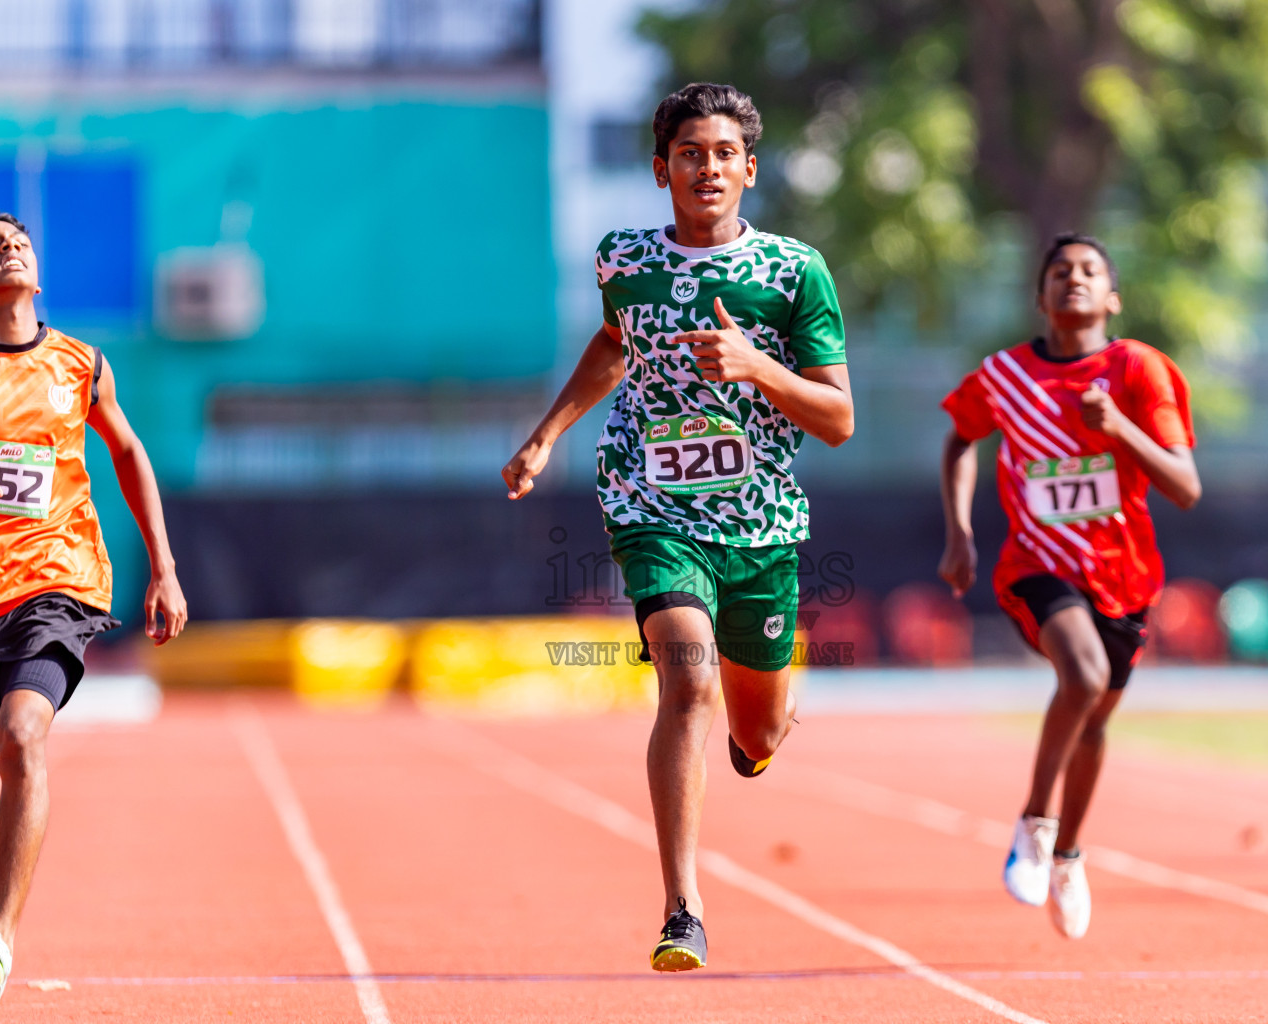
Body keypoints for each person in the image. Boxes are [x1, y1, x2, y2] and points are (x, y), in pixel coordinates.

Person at [502, 83, 851, 971]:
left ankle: (754, 736)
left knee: (758, 730)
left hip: (760, 518)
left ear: (749, 170)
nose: (707, 167)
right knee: (687, 678)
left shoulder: (793, 270)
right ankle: (682, 909)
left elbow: (837, 418)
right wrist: (547, 435)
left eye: (723, 153)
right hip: (650, 502)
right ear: (662, 170)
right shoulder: (622, 258)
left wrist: (755, 366)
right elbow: (615, 344)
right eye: (690, 153)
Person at [0, 205, 187, 1003]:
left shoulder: (82, 364)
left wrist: (165, 569)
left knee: (23, 732)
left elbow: (130, 451)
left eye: (17, 239)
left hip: (56, 582)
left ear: (35, 267)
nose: (9, 248)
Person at [938, 234, 1199, 939]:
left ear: (1112, 297)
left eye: (1089, 271)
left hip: (1126, 578)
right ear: (1041, 296)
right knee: (1080, 678)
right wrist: (960, 529)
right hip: (1037, 568)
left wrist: (1119, 430)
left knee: (1095, 720)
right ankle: (1034, 822)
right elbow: (962, 436)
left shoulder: (1139, 370)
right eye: (1059, 271)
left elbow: (1185, 487)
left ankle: (1070, 855)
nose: (1073, 279)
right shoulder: (1004, 376)